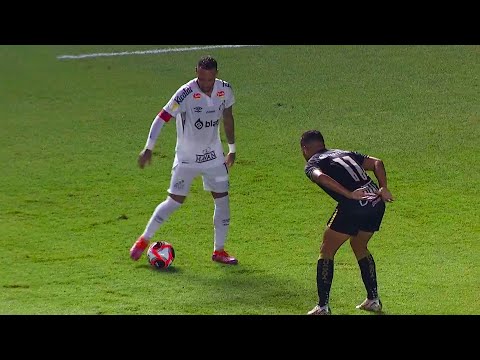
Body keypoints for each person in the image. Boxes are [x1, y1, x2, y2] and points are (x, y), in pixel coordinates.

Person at [129, 55, 238, 265]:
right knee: (174, 201)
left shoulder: (225, 89)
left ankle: (219, 251)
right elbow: (161, 118)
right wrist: (148, 148)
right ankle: (144, 239)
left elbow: (228, 117)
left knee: (223, 199)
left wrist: (232, 148)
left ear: (216, 74)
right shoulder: (185, 93)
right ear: (196, 72)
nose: (206, 84)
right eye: (202, 78)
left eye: (210, 79)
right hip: (187, 158)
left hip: (214, 156)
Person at [300, 130, 394, 315]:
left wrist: (348, 194)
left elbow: (320, 177)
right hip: (376, 202)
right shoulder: (343, 152)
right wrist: (383, 187)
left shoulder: (313, 163)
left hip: (354, 205)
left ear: (305, 148)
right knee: (359, 245)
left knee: (326, 250)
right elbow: (377, 162)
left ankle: (322, 306)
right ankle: (373, 299)